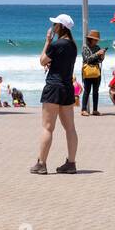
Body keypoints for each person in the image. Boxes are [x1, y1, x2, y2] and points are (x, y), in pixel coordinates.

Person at [31, 13, 78, 174]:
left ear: (61, 27)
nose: (53, 27)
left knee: (47, 127)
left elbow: (42, 60)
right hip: (67, 87)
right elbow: (61, 63)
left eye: (55, 24)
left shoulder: (56, 44)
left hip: (53, 88)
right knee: (70, 128)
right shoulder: (72, 45)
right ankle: (71, 163)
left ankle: (41, 163)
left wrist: (47, 42)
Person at [80, 29, 105, 116]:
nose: (96, 41)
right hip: (87, 71)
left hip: (96, 71)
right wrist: (97, 54)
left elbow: (99, 61)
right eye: (95, 40)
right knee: (87, 90)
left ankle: (95, 110)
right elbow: (87, 59)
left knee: (96, 91)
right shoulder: (85, 47)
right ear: (91, 39)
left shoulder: (97, 47)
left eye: (97, 40)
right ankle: (83, 109)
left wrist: (102, 56)